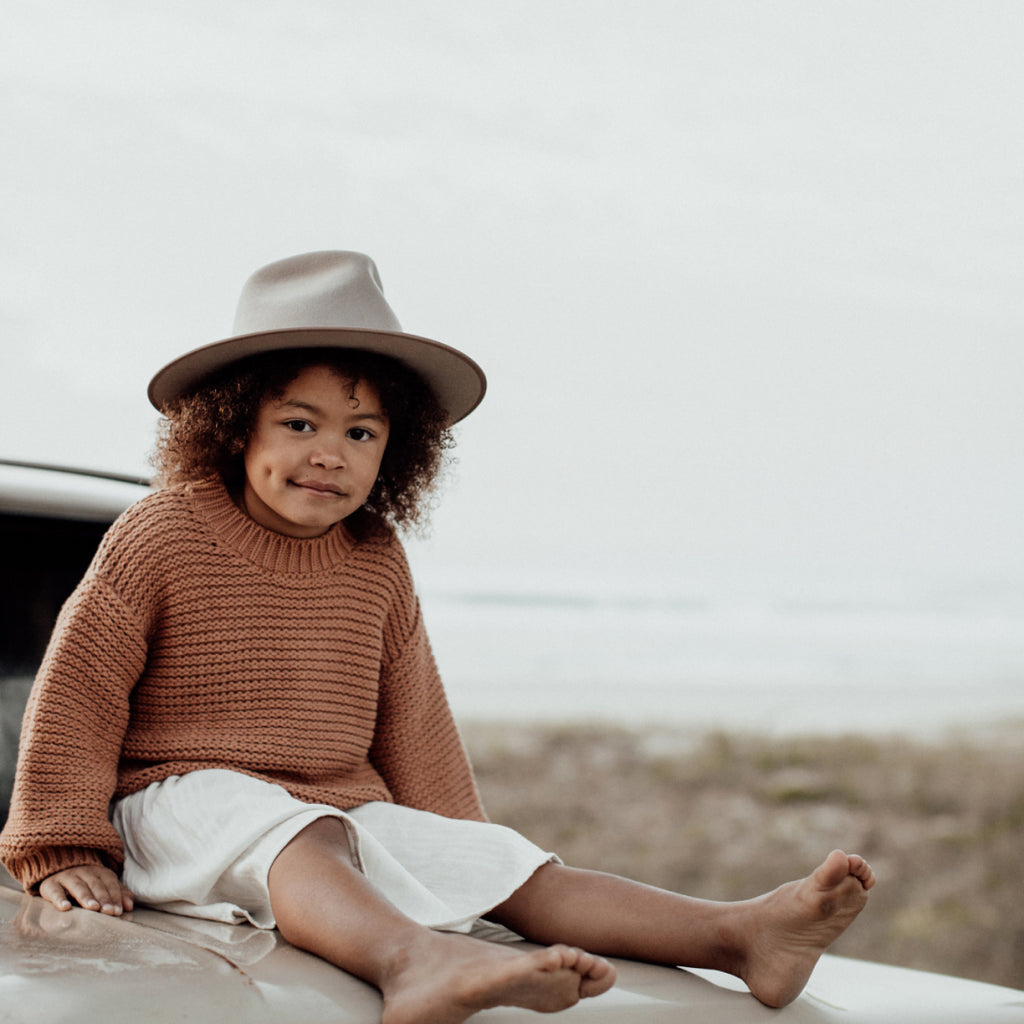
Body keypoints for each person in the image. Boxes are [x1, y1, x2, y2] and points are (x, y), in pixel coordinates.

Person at [0, 251, 876, 1024]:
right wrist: (63, 841)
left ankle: (733, 935)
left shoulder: (375, 559)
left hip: (333, 815)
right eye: (298, 423)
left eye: (361, 432)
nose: (329, 453)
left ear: (399, 450)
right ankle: (411, 961)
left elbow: (413, 720)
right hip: (178, 800)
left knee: (505, 859)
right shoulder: (164, 532)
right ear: (234, 424)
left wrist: (458, 855)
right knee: (282, 824)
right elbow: (78, 689)